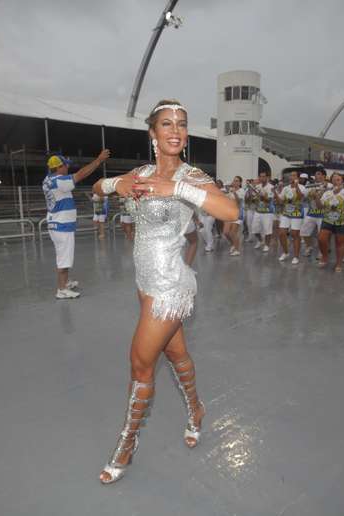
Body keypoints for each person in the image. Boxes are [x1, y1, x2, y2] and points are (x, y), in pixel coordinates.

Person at [92, 99, 238, 485]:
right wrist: (116, 184)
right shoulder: (140, 173)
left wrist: (177, 188)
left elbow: (230, 211)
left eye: (182, 124)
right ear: (153, 133)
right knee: (176, 353)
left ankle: (127, 443)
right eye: (167, 124)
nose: (176, 130)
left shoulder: (192, 176)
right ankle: (196, 410)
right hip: (145, 284)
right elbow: (96, 187)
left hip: (171, 287)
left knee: (140, 364)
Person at [43, 149, 110, 299]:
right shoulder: (60, 181)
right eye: (65, 165)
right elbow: (81, 174)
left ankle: (66, 282)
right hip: (62, 226)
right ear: (58, 167)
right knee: (64, 258)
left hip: (55, 223)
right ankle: (61, 289)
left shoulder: (48, 180)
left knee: (63, 255)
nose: (68, 167)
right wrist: (98, 160)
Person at [316, 173, 344, 271]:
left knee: (339, 243)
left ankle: (339, 263)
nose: (336, 181)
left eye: (338, 179)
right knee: (321, 239)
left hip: (341, 221)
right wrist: (317, 197)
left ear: (342, 182)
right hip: (327, 220)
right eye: (334, 179)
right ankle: (325, 256)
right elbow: (320, 207)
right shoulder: (327, 193)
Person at [276, 171, 306, 264]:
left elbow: (301, 198)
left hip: (297, 214)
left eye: (294, 175)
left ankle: (296, 256)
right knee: (281, 233)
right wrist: (275, 193)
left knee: (295, 234)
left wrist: (296, 186)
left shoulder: (302, 187)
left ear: (297, 178)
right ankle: (285, 252)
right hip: (286, 213)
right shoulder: (286, 188)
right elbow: (280, 201)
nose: (291, 177)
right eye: (290, 176)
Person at [301, 169, 328, 257]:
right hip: (311, 213)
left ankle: (322, 251)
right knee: (304, 232)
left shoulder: (329, 185)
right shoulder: (310, 186)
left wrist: (323, 189)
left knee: (322, 235)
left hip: (323, 214)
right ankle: (309, 247)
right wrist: (309, 194)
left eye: (319, 174)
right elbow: (303, 197)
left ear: (324, 176)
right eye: (316, 174)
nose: (316, 176)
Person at [250, 170, 274, 252]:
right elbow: (253, 199)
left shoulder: (271, 187)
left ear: (267, 177)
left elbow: (268, 200)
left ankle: (267, 245)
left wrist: (260, 195)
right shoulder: (257, 186)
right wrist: (253, 194)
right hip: (258, 211)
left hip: (267, 212)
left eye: (263, 176)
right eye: (260, 176)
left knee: (267, 230)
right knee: (254, 229)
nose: (262, 178)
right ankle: (260, 241)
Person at [223, 175, 244, 256]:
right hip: (229, 213)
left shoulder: (241, 191)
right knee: (225, 232)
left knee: (233, 233)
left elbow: (239, 202)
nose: (235, 182)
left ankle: (237, 250)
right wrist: (226, 192)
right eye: (234, 180)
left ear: (240, 183)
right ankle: (233, 244)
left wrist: (234, 192)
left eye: (237, 181)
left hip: (238, 214)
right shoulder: (230, 191)